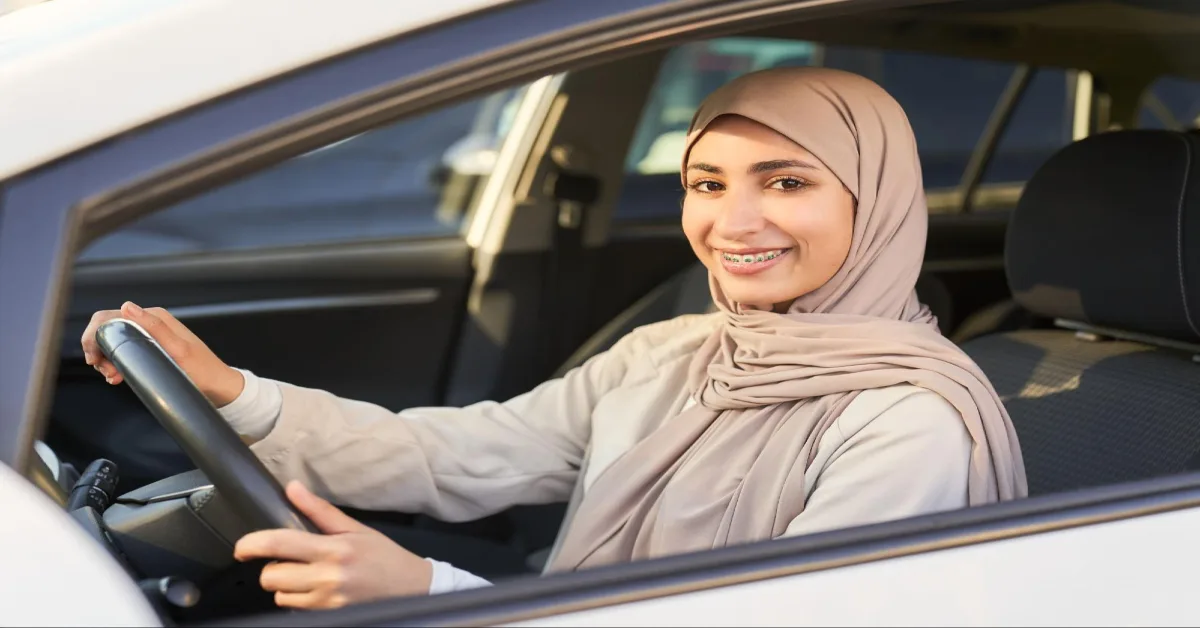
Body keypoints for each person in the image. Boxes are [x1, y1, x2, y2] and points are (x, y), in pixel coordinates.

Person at [81, 67, 1027, 610]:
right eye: (707, 182)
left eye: (787, 183)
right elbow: (456, 455)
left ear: (881, 199)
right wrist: (234, 393)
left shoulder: (910, 422)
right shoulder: (676, 351)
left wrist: (426, 591)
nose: (733, 223)